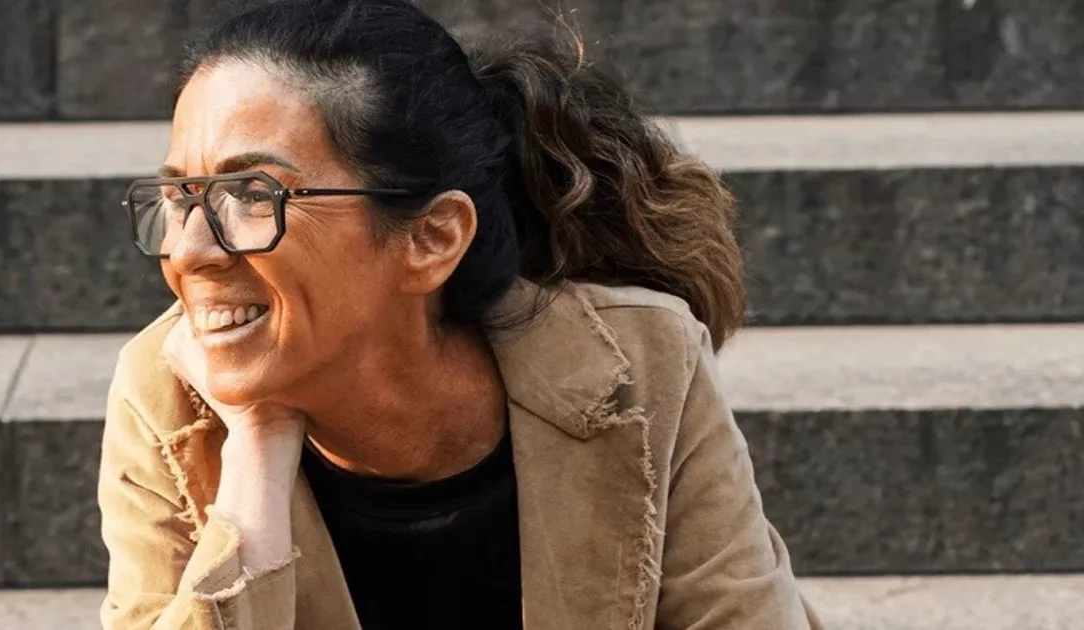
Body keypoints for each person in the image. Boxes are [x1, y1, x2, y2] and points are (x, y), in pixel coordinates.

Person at [98, 1, 823, 628]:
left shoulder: (641, 356)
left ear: (432, 238)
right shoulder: (166, 395)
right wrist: (255, 455)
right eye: (181, 197)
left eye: (254, 195)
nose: (189, 251)